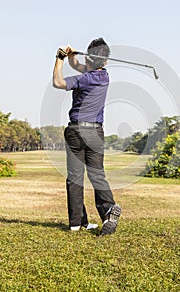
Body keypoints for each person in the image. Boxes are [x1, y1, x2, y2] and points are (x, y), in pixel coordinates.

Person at [52, 38, 121, 235]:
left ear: (89, 58)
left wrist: (59, 59)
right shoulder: (104, 76)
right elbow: (80, 66)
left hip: (76, 131)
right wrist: (72, 57)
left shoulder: (84, 78)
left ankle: (76, 223)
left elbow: (58, 82)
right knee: (97, 174)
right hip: (95, 132)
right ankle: (108, 211)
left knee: (75, 178)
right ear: (105, 62)